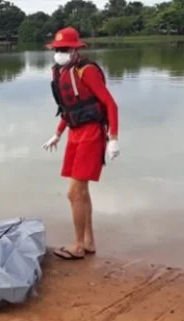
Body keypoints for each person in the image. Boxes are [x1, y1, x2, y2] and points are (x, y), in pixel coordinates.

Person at [42, 27, 120, 261]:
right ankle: (88, 242)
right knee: (81, 193)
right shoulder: (60, 72)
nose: (60, 53)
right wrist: (57, 133)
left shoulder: (87, 71)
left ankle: (77, 245)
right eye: (57, 49)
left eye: (65, 49)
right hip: (74, 133)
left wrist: (113, 139)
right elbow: (71, 109)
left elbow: (110, 105)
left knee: (73, 193)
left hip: (91, 134)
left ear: (76, 49)